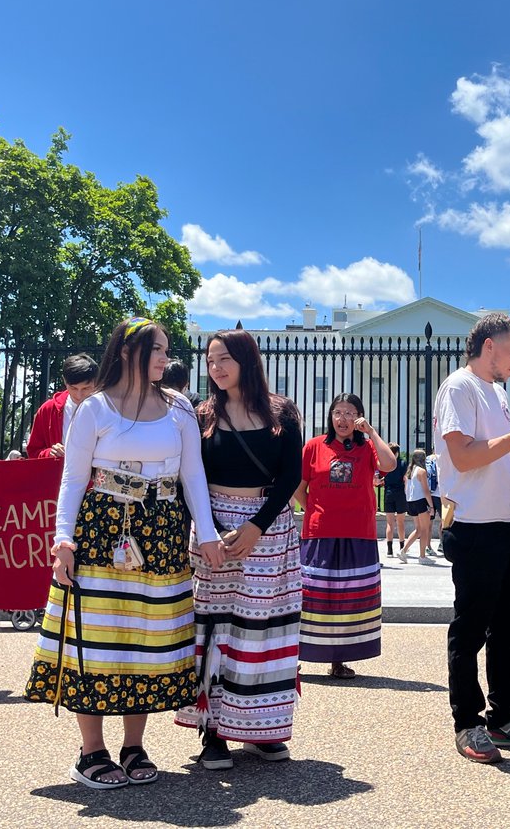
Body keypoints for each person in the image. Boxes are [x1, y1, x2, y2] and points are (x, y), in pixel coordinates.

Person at [25, 316, 222, 789]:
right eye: (157, 349)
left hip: (162, 529)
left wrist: (208, 532)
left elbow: (193, 475)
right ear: (130, 351)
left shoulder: (178, 408)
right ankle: (90, 750)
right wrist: (62, 538)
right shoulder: (95, 408)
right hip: (102, 528)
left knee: (146, 637)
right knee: (94, 635)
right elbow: (73, 478)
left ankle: (134, 746)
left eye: (166, 350)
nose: (165, 358)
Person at [175, 329, 304, 770]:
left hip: (268, 530)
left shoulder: (281, 412)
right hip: (213, 528)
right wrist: (206, 529)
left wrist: (256, 525)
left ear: (247, 360)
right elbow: (188, 476)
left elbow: (290, 476)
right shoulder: (201, 413)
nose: (217, 368)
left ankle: (260, 728)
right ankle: (212, 731)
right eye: (211, 361)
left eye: (225, 359)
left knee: (263, 630)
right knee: (213, 628)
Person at [435, 312, 510, 764]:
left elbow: (506, 459)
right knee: (469, 630)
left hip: (508, 524)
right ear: (489, 346)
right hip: (472, 525)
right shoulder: (459, 387)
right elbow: (465, 457)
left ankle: (505, 714)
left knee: (509, 627)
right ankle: (467, 722)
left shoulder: (497, 392)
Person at [294, 393, 397, 679]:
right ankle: (297, 655)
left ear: (359, 417)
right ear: (330, 416)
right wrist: (313, 506)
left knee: (348, 600)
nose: (343, 419)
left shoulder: (367, 448)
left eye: (350, 413)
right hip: (320, 533)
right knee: (312, 597)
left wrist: (372, 432)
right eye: (338, 412)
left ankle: (339, 660)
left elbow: (389, 465)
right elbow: (297, 485)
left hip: (358, 533)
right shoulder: (314, 446)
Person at [26, 353, 99, 459]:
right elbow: (33, 452)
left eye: (86, 388)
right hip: (59, 474)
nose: (79, 395)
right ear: (65, 381)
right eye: (73, 388)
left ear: (96, 382)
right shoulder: (48, 409)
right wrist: (49, 453)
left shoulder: (108, 409)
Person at [397, 449, 435, 564]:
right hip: (420, 501)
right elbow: (426, 490)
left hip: (411, 501)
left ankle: (403, 550)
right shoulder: (421, 471)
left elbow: (406, 489)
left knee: (418, 529)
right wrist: (431, 506)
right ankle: (422, 557)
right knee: (424, 530)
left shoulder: (409, 471)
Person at [382, 444, 407, 558]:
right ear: (397, 452)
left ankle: (389, 550)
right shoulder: (402, 463)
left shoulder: (385, 462)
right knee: (400, 522)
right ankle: (402, 547)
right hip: (400, 493)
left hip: (388, 493)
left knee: (389, 523)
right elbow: (405, 478)